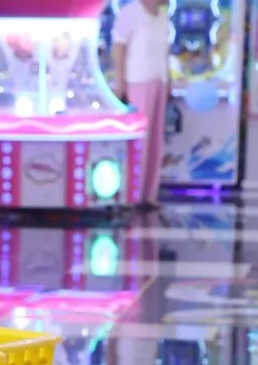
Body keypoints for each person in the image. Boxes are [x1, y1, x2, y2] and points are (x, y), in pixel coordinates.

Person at [111, 0, 171, 209]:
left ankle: (149, 194)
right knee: (140, 141)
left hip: (159, 80)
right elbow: (119, 48)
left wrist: (168, 79)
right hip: (138, 80)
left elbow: (164, 52)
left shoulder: (162, 17)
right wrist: (120, 82)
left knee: (155, 139)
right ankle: (133, 193)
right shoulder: (130, 13)